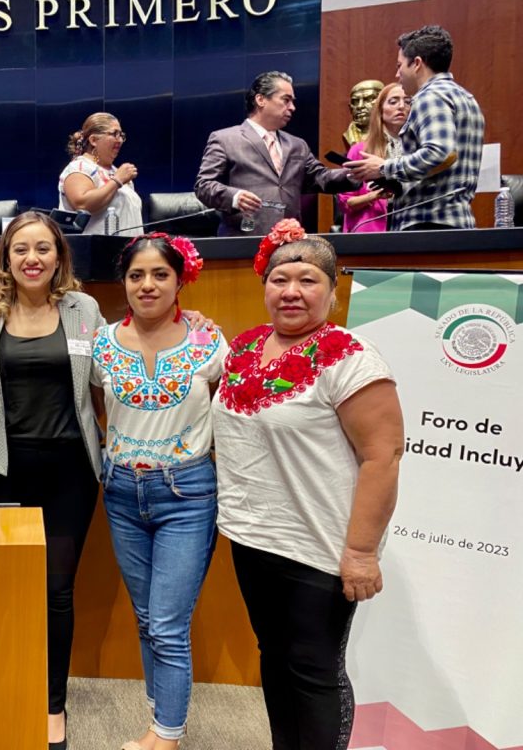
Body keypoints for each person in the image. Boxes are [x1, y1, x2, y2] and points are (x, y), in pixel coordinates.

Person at [213, 222, 404, 749]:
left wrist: (361, 552)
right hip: (254, 537)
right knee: (273, 657)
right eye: (279, 279)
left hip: (320, 548)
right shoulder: (246, 347)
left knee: (314, 668)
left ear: (332, 290)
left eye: (307, 280)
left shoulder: (351, 358)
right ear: (265, 286)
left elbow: (382, 455)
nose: (291, 291)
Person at [0, 211, 104, 750]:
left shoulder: (82, 307)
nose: (32, 258)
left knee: (56, 592)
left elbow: (107, 372)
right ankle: (5, 687)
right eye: (21, 248)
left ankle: (52, 705)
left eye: (43, 248)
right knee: (5, 590)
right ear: (5, 256)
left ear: (59, 256)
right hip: (3, 471)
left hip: (71, 470)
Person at [91, 234, 225, 750]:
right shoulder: (102, 344)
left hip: (187, 492)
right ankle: (159, 713)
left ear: (180, 279)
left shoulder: (209, 343)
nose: (147, 285)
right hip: (122, 492)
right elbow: (97, 408)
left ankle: (165, 734)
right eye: (136, 276)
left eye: (160, 275)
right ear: (123, 282)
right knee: (146, 617)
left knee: (168, 622)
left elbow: (231, 416)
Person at [344, 25, 485, 231]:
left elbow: (439, 153)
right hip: (452, 221)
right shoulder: (465, 97)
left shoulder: (430, 97)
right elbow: (444, 163)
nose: (397, 73)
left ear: (417, 63)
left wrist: (383, 168)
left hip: (428, 224)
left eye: (400, 65)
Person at [195, 71, 359, 236]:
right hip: (244, 238)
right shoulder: (225, 139)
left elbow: (321, 178)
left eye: (292, 102)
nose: (292, 108)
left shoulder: (297, 145)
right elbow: (204, 186)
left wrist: (355, 175)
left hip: (289, 240)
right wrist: (235, 197)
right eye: (286, 100)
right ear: (261, 100)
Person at [337, 83, 409, 232]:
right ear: (380, 109)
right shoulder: (360, 150)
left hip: (409, 229)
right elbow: (346, 203)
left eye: (407, 101)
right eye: (393, 102)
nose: (401, 106)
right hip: (369, 231)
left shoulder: (420, 152)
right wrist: (375, 195)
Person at [59, 112, 143, 236]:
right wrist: (117, 181)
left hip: (129, 251)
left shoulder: (116, 172)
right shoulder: (79, 167)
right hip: (97, 252)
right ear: (93, 140)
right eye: (115, 134)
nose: (119, 140)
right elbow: (82, 204)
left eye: (121, 135)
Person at [342, 79, 384, 149]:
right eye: (355, 101)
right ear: (350, 108)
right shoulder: (348, 136)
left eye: (368, 99)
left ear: (383, 102)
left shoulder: (394, 135)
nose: (360, 106)